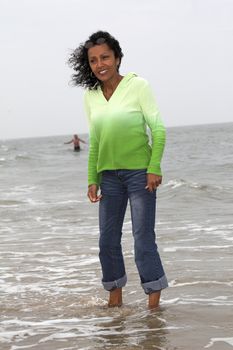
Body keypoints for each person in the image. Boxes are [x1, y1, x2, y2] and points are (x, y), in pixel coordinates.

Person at [68, 30, 168, 308]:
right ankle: (115, 300)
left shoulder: (139, 86)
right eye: (93, 60)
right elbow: (96, 139)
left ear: (118, 58)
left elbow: (158, 129)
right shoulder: (91, 96)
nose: (100, 64)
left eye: (105, 57)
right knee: (107, 241)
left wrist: (154, 166)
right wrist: (92, 178)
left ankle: (153, 305)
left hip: (139, 173)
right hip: (108, 177)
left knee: (142, 239)